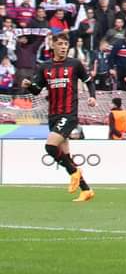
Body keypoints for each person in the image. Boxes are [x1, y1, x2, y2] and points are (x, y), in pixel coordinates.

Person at [21, 33, 97, 202]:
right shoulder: (44, 67)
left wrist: (92, 96)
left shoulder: (74, 64)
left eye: (65, 44)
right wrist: (28, 86)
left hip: (68, 113)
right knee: (66, 156)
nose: (63, 47)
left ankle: (75, 172)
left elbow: (89, 80)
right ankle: (86, 190)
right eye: (60, 44)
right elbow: (36, 90)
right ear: (53, 45)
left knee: (50, 147)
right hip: (53, 114)